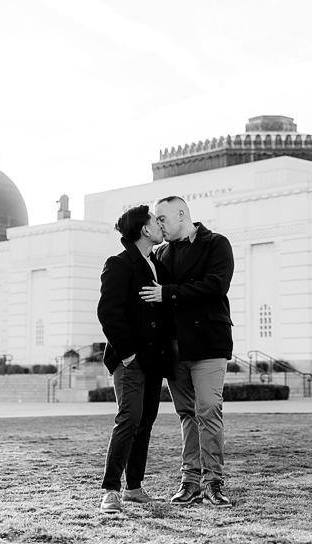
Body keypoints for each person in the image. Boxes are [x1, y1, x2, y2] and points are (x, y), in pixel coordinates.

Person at [140, 195, 235, 507]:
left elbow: (215, 286)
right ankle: (190, 482)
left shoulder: (216, 243)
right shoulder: (160, 253)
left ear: (181, 214)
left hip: (207, 343)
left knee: (208, 409)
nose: (159, 225)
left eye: (162, 219)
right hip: (173, 347)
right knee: (186, 414)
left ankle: (213, 482)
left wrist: (168, 293)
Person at [96, 205, 171, 514]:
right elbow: (108, 313)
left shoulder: (157, 265)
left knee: (145, 423)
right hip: (130, 360)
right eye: (156, 220)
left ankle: (134, 488)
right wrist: (127, 354)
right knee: (128, 420)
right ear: (144, 229)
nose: (161, 225)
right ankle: (110, 491)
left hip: (154, 359)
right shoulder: (119, 264)